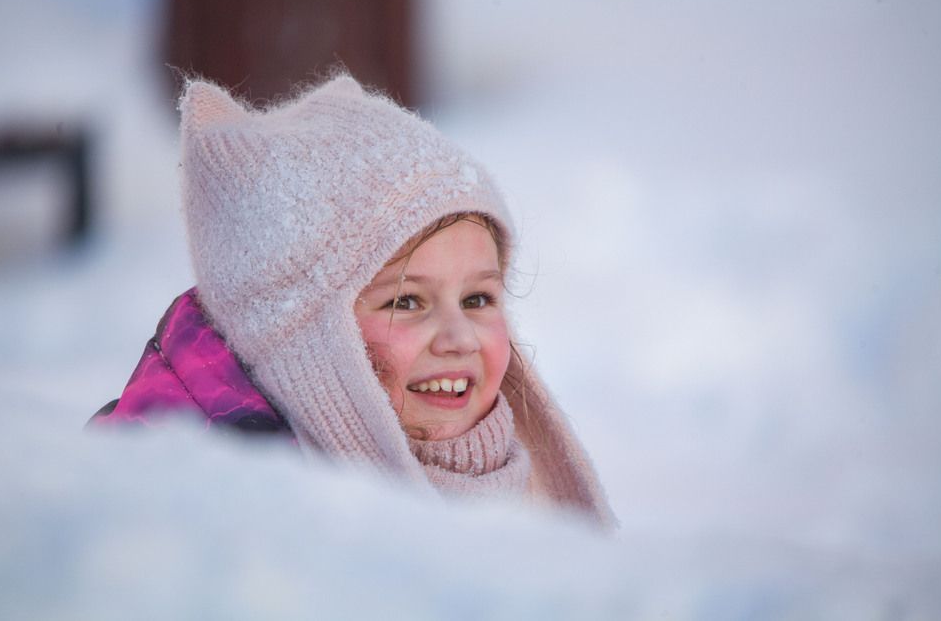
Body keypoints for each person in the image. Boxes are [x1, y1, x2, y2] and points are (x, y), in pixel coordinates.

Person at [91, 74, 614, 527]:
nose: (459, 339)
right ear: (306, 344)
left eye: (477, 298)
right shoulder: (229, 519)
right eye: (407, 302)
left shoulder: (504, 483)